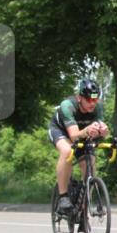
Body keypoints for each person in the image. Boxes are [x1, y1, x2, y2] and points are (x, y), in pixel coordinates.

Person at [49, 79, 109, 220]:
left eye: (95, 99)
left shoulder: (98, 107)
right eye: (88, 100)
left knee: (90, 162)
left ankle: (83, 207)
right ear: (79, 98)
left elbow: (99, 130)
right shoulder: (67, 106)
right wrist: (88, 130)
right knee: (67, 151)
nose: (92, 103)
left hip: (81, 133)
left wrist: (103, 131)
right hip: (62, 131)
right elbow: (74, 136)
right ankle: (63, 196)